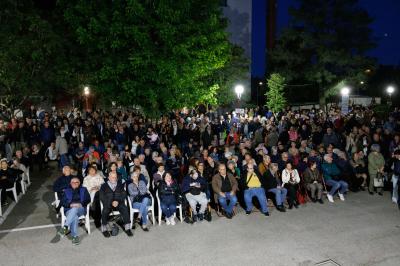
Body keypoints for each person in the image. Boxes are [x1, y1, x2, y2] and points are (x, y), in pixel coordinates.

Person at [57, 177, 91, 245]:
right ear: (70, 183)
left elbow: (88, 199)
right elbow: (62, 202)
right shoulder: (66, 190)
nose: (75, 184)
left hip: (81, 209)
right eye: (73, 182)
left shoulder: (83, 189)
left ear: (79, 183)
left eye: (77, 182)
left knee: (75, 208)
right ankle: (75, 237)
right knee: (74, 216)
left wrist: (81, 204)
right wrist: (70, 205)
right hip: (69, 210)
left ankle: (65, 227)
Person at [99, 171, 133, 237]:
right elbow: (102, 197)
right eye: (112, 177)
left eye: (115, 177)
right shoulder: (104, 186)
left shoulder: (120, 185)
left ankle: (127, 228)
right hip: (108, 204)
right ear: (108, 177)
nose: (113, 179)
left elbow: (124, 194)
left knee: (125, 208)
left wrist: (117, 201)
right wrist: (110, 202)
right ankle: (104, 229)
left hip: (118, 203)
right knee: (105, 211)